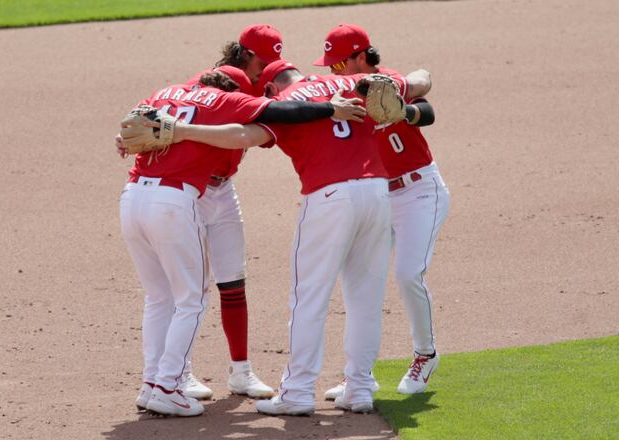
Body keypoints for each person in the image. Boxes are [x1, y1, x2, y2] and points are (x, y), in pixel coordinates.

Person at [143, 60, 435, 415]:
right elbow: (422, 79)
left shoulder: (287, 105)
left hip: (329, 198)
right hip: (377, 194)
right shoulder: (353, 82)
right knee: (365, 298)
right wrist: (397, 98)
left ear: (269, 90)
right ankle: (359, 389)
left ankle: (297, 392)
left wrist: (182, 131)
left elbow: (242, 136)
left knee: (308, 298)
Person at [118, 67, 366, 417]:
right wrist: (329, 108)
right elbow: (279, 111)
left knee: (159, 298)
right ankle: (167, 385)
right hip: (172, 202)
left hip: (131, 198)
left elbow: (126, 130)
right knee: (191, 300)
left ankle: (150, 383)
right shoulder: (223, 100)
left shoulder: (165, 94)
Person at [314, 24, 449, 398]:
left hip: (420, 191)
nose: (332, 71)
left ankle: (426, 354)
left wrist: (404, 110)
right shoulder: (339, 93)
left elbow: (426, 94)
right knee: (361, 282)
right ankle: (359, 373)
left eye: (339, 63)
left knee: (408, 274)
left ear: (362, 56)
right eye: (329, 65)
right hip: (377, 198)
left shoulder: (386, 82)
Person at [158, 24, 284, 400]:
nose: (265, 70)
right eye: (262, 61)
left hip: (223, 191)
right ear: (243, 54)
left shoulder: (262, 90)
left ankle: (241, 372)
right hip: (190, 191)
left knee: (232, 280)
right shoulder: (207, 84)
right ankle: (180, 374)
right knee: (187, 289)